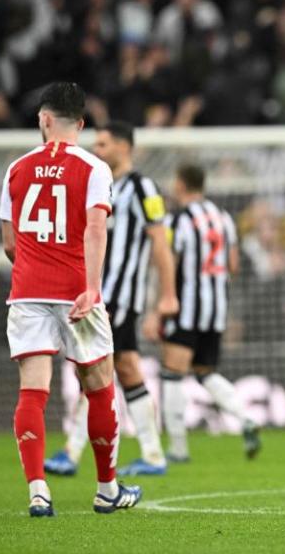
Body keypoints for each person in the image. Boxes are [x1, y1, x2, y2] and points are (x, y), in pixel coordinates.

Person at [0, 82, 141, 517]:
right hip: (77, 291)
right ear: (80, 124)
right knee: (99, 387)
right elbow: (95, 229)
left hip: (27, 292)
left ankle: (38, 492)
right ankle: (106, 490)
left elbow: (9, 243)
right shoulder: (95, 168)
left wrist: (34, 268)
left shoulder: (16, 169)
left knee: (33, 392)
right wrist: (92, 287)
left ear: (44, 120)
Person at [43, 120, 178, 477]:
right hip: (95, 293)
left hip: (118, 296)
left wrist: (167, 296)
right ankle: (152, 454)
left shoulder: (144, 187)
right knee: (125, 367)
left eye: (103, 144)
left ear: (124, 146)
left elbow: (160, 244)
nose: (96, 150)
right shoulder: (94, 185)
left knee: (94, 366)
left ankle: (72, 452)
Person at [152, 164, 260, 463]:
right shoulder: (223, 217)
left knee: (172, 373)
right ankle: (245, 417)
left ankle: (177, 448)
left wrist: (160, 304)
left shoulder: (178, 219)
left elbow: (167, 263)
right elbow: (234, 265)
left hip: (185, 308)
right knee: (204, 371)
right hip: (215, 311)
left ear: (180, 184)